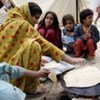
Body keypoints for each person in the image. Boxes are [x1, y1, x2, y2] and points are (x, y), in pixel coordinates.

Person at [0, 2, 86, 94]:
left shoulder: (12, 19)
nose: (37, 21)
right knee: (34, 46)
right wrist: (71, 60)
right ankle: (29, 88)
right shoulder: (23, 24)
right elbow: (45, 45)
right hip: (7, 74)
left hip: (4, 66)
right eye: (36, 18)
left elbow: (16, 49)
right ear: (28, 14)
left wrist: (39, 60)